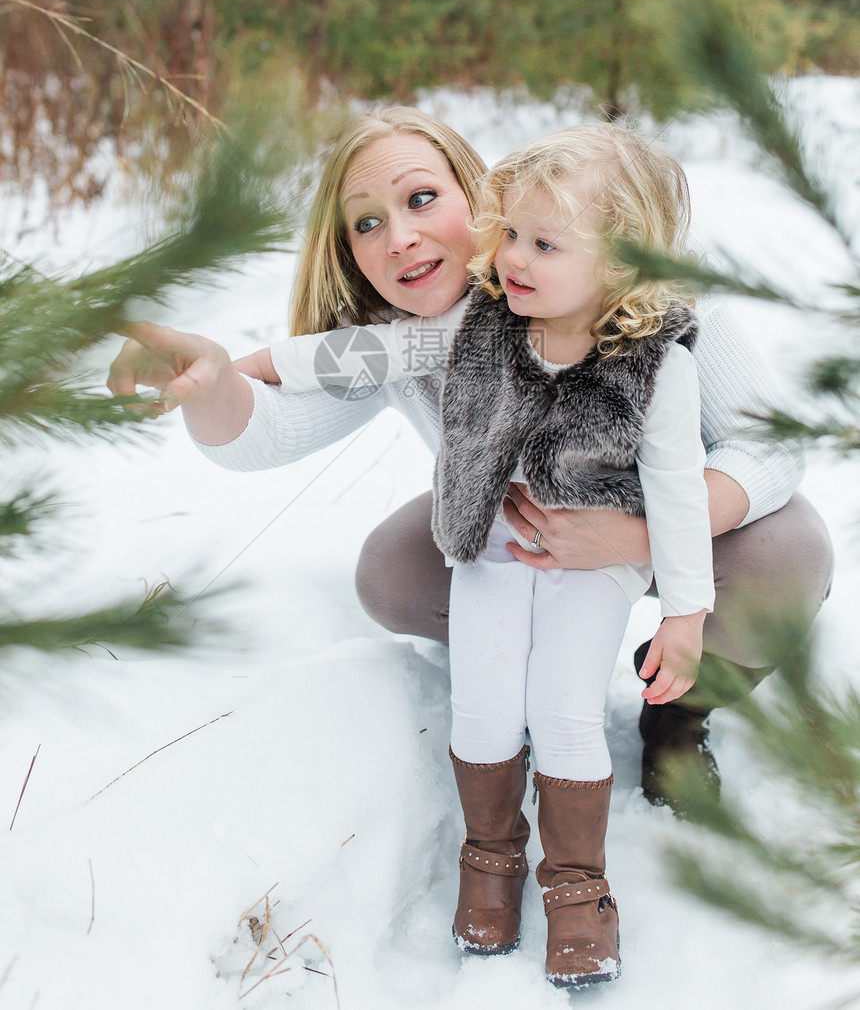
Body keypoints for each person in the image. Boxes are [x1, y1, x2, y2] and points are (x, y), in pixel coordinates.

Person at [107, 106, 832, 821]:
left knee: (791, 553)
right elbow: (266, 431)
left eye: (421, 198)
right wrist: (212, 379)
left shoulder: (640, 278)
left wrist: (639, 540)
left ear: (480, 197)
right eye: (367, 223)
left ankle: (678, 716)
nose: (400, 237)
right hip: (525, 533)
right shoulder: (405, 340)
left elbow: (773, 441)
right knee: (392, 569)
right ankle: (513, 691)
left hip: (689, 523)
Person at [239, 125, 718, 986]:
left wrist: (684, 614)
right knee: (486, 702)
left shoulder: (658, 367)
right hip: (487, 549)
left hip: (593, 563)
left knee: (565, 705)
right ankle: (489, 861)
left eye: (544, 244)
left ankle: (579, 886)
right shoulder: (484, 324)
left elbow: (681, 499)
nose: (513, 259)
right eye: (511, 236)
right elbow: (366, 352)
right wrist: (244, 367)